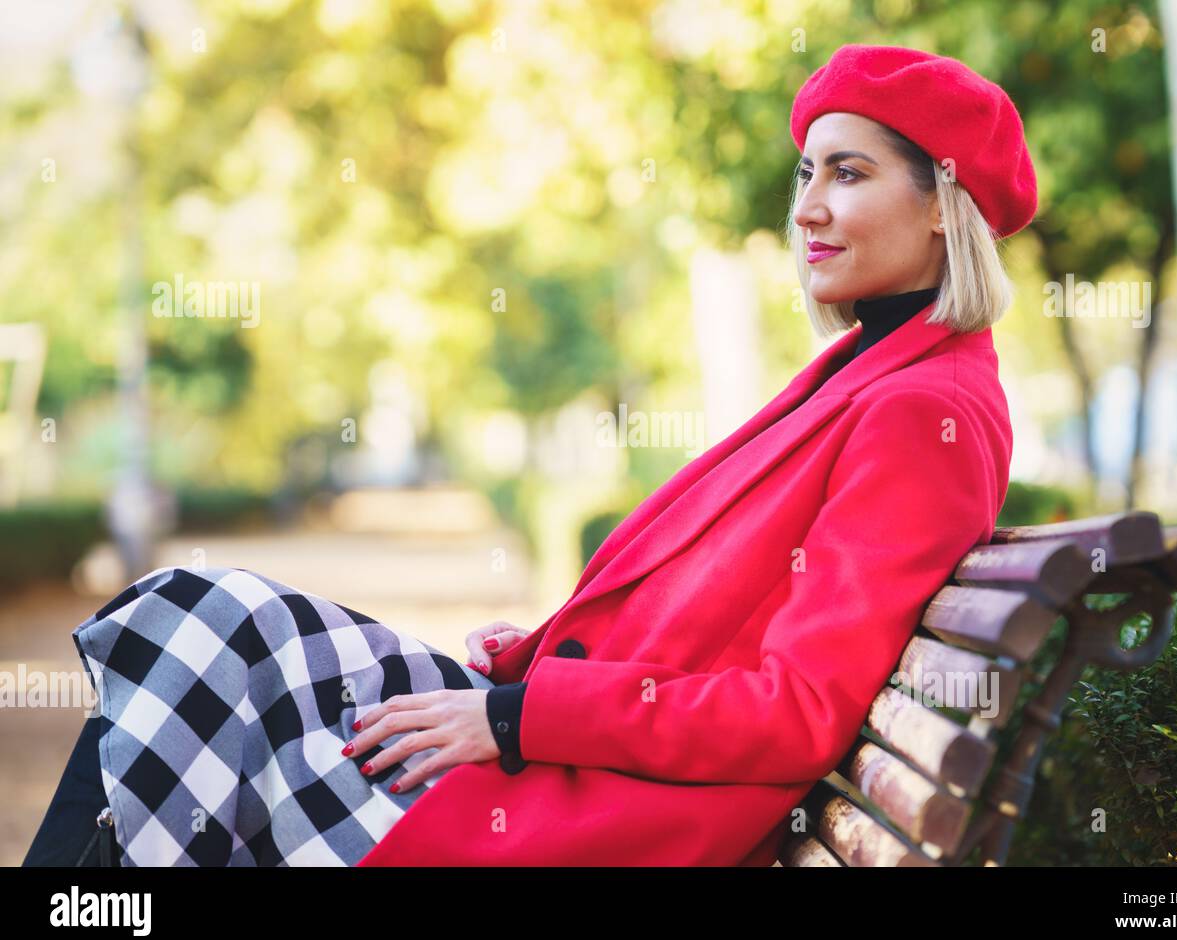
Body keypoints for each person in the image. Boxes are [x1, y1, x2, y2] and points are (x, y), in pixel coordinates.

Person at [26, 42, 1037, 867]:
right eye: (807, 171)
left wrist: (516, 718)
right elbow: (718, 619)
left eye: (848, 173)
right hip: (569, 759)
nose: (806, 206)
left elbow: (798, 710)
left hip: (601, 816)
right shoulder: (872, 370)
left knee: (202, 645)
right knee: (205, 622)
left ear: (945, 208)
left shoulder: (924, 413)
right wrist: (527, 663)